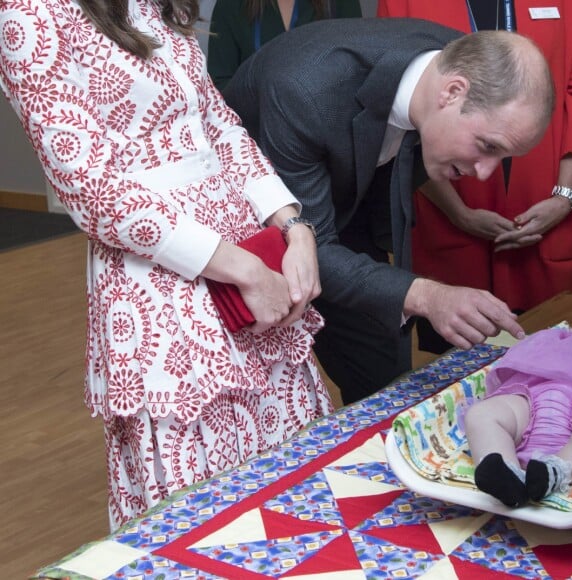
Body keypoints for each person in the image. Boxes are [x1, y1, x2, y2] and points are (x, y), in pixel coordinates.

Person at [0, 0, 334, 530]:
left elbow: (219, 126)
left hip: (243, 244)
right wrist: (243, 271)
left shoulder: (147, 3)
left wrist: (294, 227)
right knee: (201, 499)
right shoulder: (31, 14)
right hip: (160, 278)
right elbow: (91, 190)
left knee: (291, 465)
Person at [222, 17, 555, 406]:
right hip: (259, 236)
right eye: (487, 146)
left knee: (388, 383)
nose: (484, 173)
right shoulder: (304, 90)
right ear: (452, 92)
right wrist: (429, 296)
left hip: (351, 205)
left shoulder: (457, 61)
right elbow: (308, 244)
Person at [377, 0, 572, 354]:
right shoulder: (401, 3)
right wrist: (458, 212)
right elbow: (403, 110)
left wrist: (566, 197)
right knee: (457, 374)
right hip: (449, 224)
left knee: (552, 363)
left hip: (546, 226)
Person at [464, 327, 572, 507]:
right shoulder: (548, 340)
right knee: (480, 414)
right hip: (530, 394)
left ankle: (556, 471)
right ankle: (505, 474)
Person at [208, 0, 362, 92]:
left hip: (324, 133)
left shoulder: (338, 3)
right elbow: (220, 86)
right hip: (255, 135)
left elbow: (357, 74)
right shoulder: (231, 5)